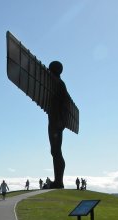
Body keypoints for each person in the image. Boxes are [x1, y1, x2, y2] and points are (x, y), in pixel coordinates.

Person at [47, 61, 68, 189]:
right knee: (55, 151)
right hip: (54, 121)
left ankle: (59, 181)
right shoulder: (56, 84)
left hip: (56, 122)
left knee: (56, 151)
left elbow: (65, 106)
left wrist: (61, 121)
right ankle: (58, 180)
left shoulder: (59, 84)